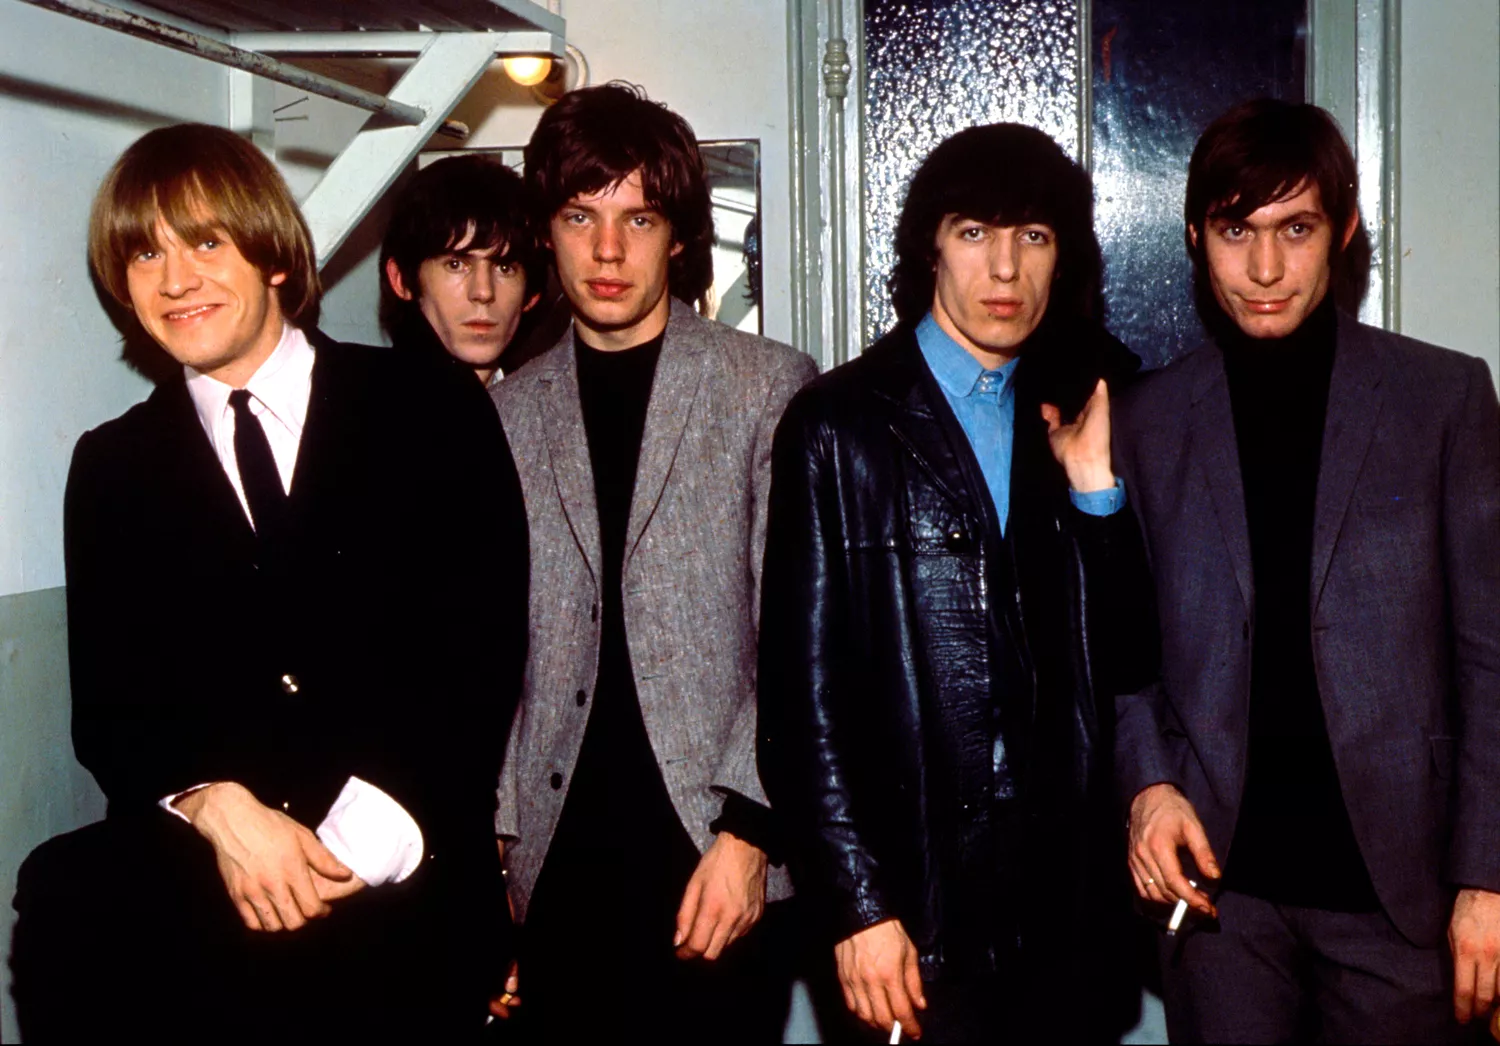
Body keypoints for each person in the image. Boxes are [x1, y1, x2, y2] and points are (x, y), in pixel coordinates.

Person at [9, 123, 528, 1040]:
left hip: (403, 894)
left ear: (275, 255)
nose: (175, 280)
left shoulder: (428, 408)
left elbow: (477, 657)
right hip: (211, 910)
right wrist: (213, 804)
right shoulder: (112, 465)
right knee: (60, 893)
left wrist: (341, 855)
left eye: (206, 241)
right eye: (143, 254)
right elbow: (114, 715)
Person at [1113, 99, 1500, 1043]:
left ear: (1347, 231)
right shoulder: (1150, 417)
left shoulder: (1442, 397)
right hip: (1220, 904)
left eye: (1296, 228)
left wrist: (1487, 877)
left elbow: (1492, 655)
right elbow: (1123, 644)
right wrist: (1147, 784)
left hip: (1402, 900)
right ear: (1197, 238)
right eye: (1235, 230)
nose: (1266, 268)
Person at [758, 123, 1153, 1042]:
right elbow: (798, 706)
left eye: (1035, 238)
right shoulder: (836, 424)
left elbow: (1134, 663)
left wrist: (1096, 494)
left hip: (1065, 926)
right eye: (976, 232)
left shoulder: (1092, 408)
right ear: (930, 246)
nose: (1005, 269)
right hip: (913, 918)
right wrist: (860, 909)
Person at [488, 83, 818, 1040]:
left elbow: (796, 634)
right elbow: (498, 653)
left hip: (711, 846)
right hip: (556, 861)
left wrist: (751, 834)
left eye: (638, 218)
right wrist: (500, 849)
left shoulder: (765, 384)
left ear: (677, 235)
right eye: (579, 215)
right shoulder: (509, 415)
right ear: (546, 232)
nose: (606, 251)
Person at [379, 154, 545, 387]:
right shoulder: (358, 412)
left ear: (531, 296)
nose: (483, 292)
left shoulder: (545, 409)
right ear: (401, 280)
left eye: (504, 268)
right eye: (456, 265)